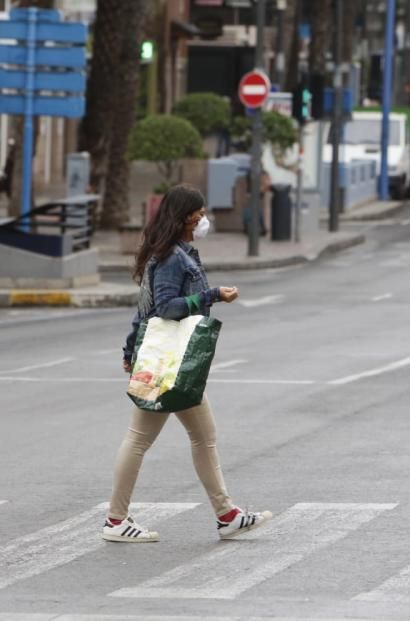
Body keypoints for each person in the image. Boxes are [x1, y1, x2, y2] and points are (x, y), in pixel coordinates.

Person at [104, 184, 273, 543]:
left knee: (202, 436)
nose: (203, 218)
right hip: (168, 363)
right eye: (198, 212)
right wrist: (212, 295)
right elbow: (163, 308)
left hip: (170, 361)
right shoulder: (171, 258)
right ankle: (117, 521)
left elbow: (144, 311)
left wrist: (129, 349)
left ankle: (227, 514)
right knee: (142, 439)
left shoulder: (175, 253)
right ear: (184, 217)